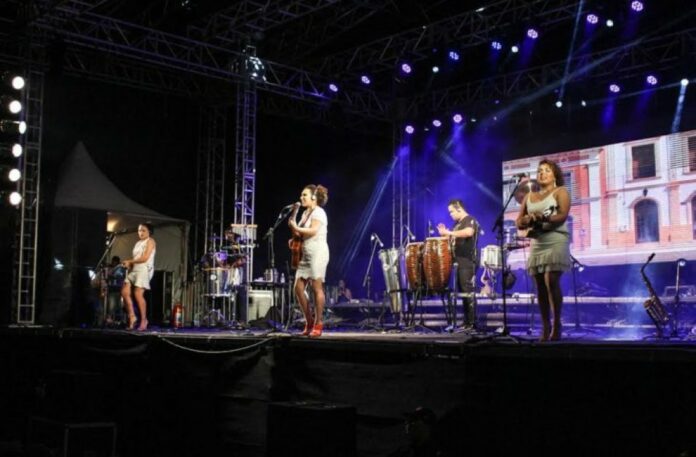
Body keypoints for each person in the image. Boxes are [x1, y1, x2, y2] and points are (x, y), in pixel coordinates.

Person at [515, 159, 571, 341]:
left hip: (555, 238)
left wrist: (543, 218)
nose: (542, 173)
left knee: (551, 280)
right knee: (539, 284)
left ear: (555, 175)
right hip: (537, 241)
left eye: (547, 170)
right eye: (540, 170)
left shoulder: (561, 191)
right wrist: (526, 220)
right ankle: (545, 326)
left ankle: (557, 324)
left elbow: (562, 215)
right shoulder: (529, 196)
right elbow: (518, 221)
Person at [288, 184, 329, 337]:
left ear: (313, 197)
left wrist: (297, 229)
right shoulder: (305, 213)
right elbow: (297, 231)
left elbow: (313, 230)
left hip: (317, 252)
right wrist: (294, 212)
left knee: (316, 287)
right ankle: (309, 321)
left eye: (304, 195)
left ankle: (318, 323)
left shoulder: (319, 212)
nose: (301, 197)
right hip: (305, 254)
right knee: (298, 288)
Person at [437, 199, 480, 329]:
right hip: (457, 262)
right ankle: (467, 321)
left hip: (467, 260)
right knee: (462, 292)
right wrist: (444, 234)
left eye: (452, 211)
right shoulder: (457, 224)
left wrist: (449, 233)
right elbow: (452, 238)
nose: (450, 214)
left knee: (467, 291)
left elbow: (468, 232)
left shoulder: (469, 219)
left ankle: (472, 322)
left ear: (459, 208)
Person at [121, 223, 156, 331]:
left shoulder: (150, 241)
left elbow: (145, 258)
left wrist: (130, 261)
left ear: (149, 232)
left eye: (143, 230)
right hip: (135, 269)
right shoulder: (137, 243)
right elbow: (136, 258)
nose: (141, 232)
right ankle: (132, 316)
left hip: (144, 269)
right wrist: (129, 264)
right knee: (124, 292)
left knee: (138, 294)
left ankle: (144, 320)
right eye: (139, 230)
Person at [104, 255, 126, 326]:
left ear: (118, 262)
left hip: (120, 290)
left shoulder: (121, 269)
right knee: (111, 306)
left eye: (116, 262)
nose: (114, 263)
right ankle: (110, 320)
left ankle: (119, 321)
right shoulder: (110, 268)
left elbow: (120, 276)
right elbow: (107, 276)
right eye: (113, 262)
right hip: (112, 290)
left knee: (120, 306)